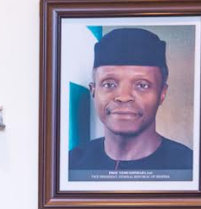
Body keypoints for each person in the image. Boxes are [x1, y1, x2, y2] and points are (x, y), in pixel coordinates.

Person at [69, 27, 194, 171]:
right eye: (109, 84)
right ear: (93, 90)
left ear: (162, 93)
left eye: (142, 85)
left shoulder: (190, 167)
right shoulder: (70, 166)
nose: (123, 97)